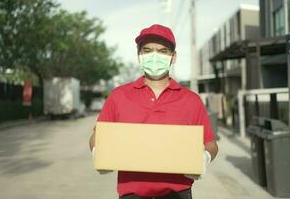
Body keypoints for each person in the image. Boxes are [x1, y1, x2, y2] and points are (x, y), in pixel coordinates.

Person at [89, 24, 219, 199]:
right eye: (148, 50)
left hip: (177, 194)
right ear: (139, 56)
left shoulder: (191, 100)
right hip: (131, 194)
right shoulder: (118, 96)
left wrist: (204, 158)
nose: (155, 56)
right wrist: (99, 153)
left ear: (173, 57)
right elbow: (97, 137)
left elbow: (210, 144)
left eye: (163, 51)